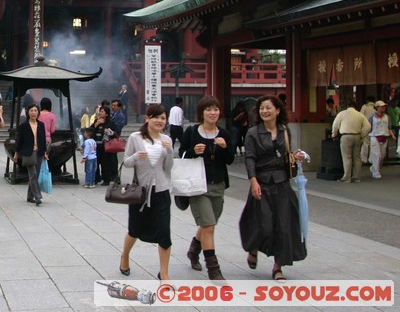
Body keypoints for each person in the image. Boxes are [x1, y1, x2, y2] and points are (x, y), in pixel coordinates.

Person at [239, 95, 307, 282]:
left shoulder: (285, 131)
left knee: (284, 226)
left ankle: (278, 267)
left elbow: (285, 154)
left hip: (282, 182)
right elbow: (250, 158)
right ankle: (253, 248)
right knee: (263, 224)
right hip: (261, 181)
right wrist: (253, 181)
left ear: (277, 111)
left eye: (268, 108)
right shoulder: (253, 133)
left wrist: (295, 156)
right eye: (262, 108)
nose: (265, 111)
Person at [181, 96, 235, 280]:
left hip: (218, 185)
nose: (213, 113)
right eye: (208, 110)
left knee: (208, 224)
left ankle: (193, 251)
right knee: (209, 226)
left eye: (216, 109)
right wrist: (191, 151)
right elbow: (181, 156)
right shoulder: (192, 131)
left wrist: (225, 147)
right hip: (198, 186)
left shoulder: (224, 134)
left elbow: (230, 160)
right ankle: (213, 269)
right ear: (201, 113)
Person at [119, 103, 174, 281]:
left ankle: (164, 273)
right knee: (134, 230)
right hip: (141, 193)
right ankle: (125, 256)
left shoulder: (167, 140)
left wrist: (169, 150)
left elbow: (168, 167)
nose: (159, 121)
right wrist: (136, 156)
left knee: (164, 232)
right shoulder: (136, 138)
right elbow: (126, 162)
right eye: (156, 117)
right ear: (147, 119)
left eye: (163, 118)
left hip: (162, 191)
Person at [14, 103, 47, 206]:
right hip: (28, 152)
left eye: (35, 110)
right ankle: (38, 197)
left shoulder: (41, 125)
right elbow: (19, 140)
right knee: (32, 174)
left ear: (38, 112)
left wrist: (45, 152)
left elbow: (43, 139)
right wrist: (16, 153)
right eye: (31, 110)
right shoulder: (23, 126)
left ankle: (29, 196)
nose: (33, 113)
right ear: (28, 112)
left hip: (39, 152)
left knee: (35, 176)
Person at [331, 102, 371, 182]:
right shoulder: (360, 115)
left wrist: (334, 133)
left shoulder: (342, 114)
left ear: (347, 106)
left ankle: (347, 177)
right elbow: (368, 126)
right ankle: (356, 177)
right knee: (357, 158)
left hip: (345, 136)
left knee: (347, 157)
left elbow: (335, 124)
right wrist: (362, 135)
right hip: (357, 136)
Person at [91, 105, 119, 186]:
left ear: (106, 114)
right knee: (95, 162)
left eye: (102, 111)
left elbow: (115, 133)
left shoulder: (110, 122)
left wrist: (109, 131)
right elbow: (90, 131)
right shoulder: (97, 120)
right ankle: (96, 179)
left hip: (105, 146)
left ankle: (106, 179)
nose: (100, 113)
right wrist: (96, 124)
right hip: (96, 145)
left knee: (105, 163)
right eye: (100, 111)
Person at [367, 100, 395, 179]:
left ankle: (374, 168)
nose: (383, 108)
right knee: (377, 155)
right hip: (375, 136)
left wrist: (392, 135)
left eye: (384, 106)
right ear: (377, 107)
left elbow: (389, 127)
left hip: (384, 137)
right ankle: (376, 172)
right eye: (382, 106)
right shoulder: (372, 117)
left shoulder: (387, 117)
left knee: (382, 155)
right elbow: (369, 127)